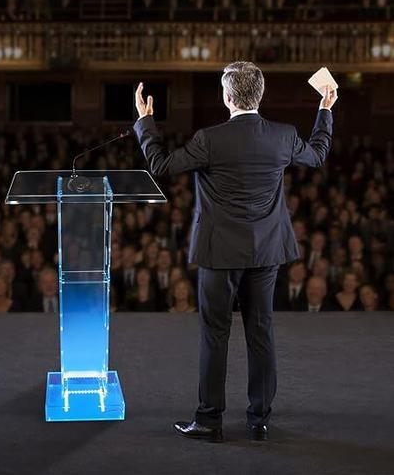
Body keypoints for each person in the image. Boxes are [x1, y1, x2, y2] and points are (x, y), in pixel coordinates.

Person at [133, 61, 336, 442]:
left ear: (227, 97)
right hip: (265, 252)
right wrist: (324, 109)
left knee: (215, 335)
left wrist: (145, 122)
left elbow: (160, 164)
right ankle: (259, 420)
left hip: (219, 254)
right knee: (261, 332)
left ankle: (209, 421)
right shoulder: (283, 135)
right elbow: (318, 154)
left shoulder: (210, 139)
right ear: (259, 96)